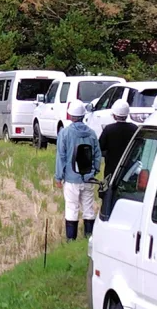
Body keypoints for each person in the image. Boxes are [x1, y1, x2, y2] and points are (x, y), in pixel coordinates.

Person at [55, 100, 102, 241]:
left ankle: (71, 240)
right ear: (83, 115)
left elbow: (61, 157)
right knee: (88, 209)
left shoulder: (65, 133)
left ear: (70, 116)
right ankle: (89, 238)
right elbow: (97, 155)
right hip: (88, 178)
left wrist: (58, 176)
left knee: (71, 208)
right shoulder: (92, 133)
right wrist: (94, 171)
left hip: (71, 178)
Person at [98, 99, 137, 178]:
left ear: (114, 115)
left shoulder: (109, 129)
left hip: (111, 166)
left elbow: (100, 147)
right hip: (129, 166)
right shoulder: (134, 128)